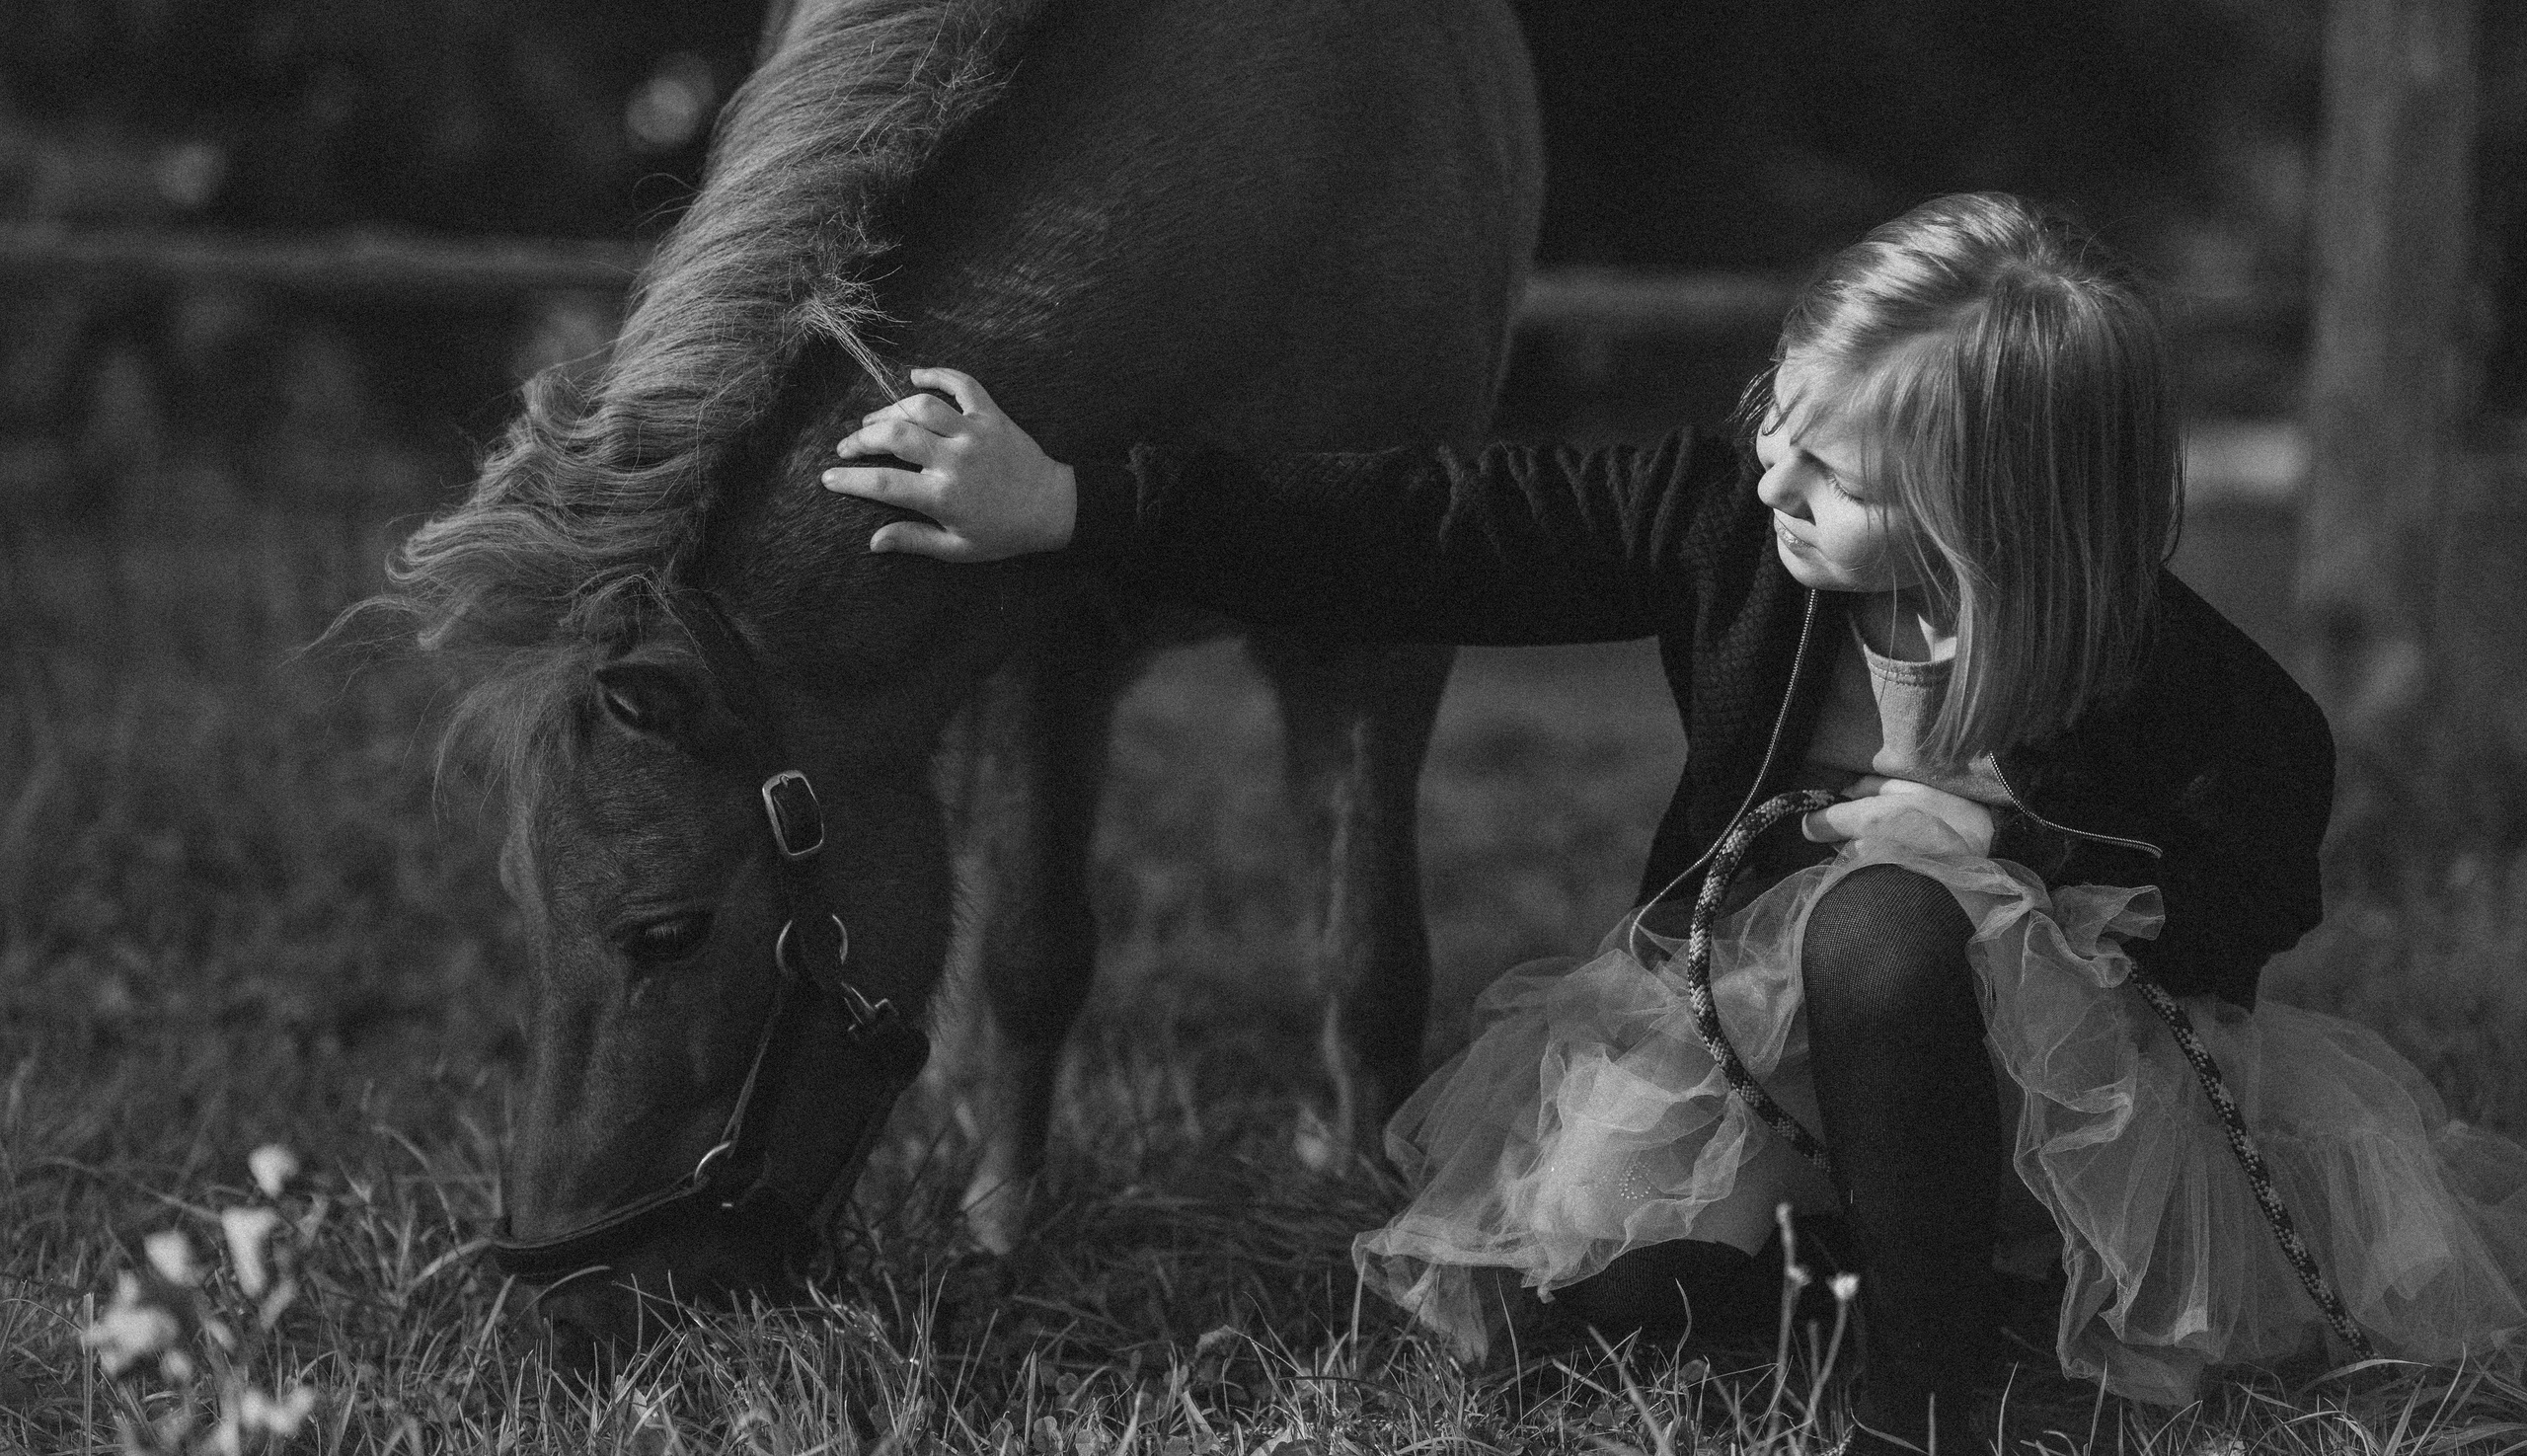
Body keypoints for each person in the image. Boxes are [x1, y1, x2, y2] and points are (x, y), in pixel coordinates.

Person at [818, 192, 2527, 1448]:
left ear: (1985, 517)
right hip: (1759, 1072)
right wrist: (1073, 502)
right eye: (1779, 410)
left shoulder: (2162, 678)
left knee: (1885, 923)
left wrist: (2057, 876)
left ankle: (1927, 1397)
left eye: (1833, 474)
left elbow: (2268, 827)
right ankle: (1827, 1276)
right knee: (1576, 1327)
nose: (1773, 471)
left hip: (2041, 1112)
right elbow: (1423, 526)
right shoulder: (1728, 520)